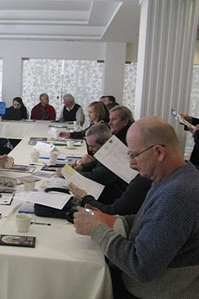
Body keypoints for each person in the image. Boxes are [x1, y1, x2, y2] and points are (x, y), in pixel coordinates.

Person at [73, 116, 199, 298]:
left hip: (152, 291)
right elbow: (149, 220)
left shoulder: (176, 195)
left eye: (134, 154)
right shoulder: (177, 175)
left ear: (158, 152)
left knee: (80, 282)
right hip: (150, 283)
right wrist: (113, 221)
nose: (131, 162)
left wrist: (97, 229)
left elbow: (141, 266)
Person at [72, 123, 127, 204]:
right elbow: (95, 163)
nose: (90, 150)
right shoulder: (107, 150)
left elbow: (94, 177)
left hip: (110, 200)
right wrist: (81, 167)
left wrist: (70, 173)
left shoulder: (114, 157)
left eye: (93, 146)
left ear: (105, 143)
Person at [68, 172, 152, 216]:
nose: (131, 162)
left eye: (135, 155)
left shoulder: (143, 181)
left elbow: (112, 212)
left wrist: (84, 197)